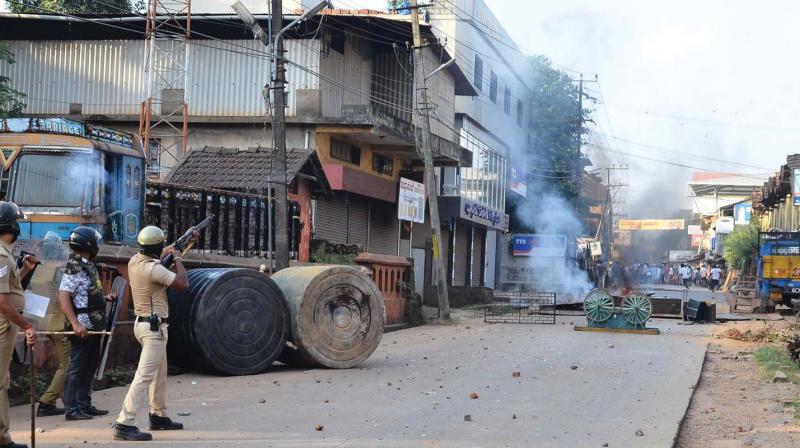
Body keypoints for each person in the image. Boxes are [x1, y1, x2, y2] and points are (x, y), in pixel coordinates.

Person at [113, 226, 189, 441]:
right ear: (156, 248)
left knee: (159, 373)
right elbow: (183, 283)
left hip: (143, 325)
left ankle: (158, 415)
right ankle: (124, 422)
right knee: (144, 376)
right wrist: (178, 258)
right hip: (154, 329)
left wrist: (178, 246)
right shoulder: (154, 270)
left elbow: (159, 254)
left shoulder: (135, 261)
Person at [58, 227, 113, 421]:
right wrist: (74, 323)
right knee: (77, 366)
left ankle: (84, 404)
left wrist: (103, 298)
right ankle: (71, 408)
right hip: (82, 324)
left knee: (90, 365)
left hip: (94, 324)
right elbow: (64, 296)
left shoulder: (86, 264)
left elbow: (83, 293)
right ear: (88, 244)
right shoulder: (75, 266)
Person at [0, 202, 37, 448]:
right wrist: (26, 325)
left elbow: (10, 289)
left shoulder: (6, 253)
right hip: (4, 324)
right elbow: (1, 301)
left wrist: (24, 271)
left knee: (3, 379)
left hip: (7, 322)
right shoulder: (1, 255)